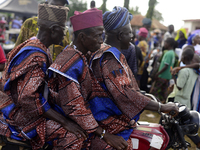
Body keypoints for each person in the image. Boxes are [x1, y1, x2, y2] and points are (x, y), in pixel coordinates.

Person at [88, 6, 179, 149]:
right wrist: (161, 106)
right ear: (120, 36)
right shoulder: (110, 59)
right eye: (129, 33)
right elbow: (125, 94)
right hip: (110, 123)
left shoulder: (103, 51)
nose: (132, 37)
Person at [0, 4, 87, 150]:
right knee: (73, 137)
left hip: (15, 106)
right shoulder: (36, 56)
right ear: (53, 30)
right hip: (19, 116)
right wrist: (64, 122)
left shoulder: (31, 44)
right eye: (63, 30)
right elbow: (27, 98)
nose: (65, 35)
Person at [48, 7, 129, 150]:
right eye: (97, 35)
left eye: (102, 35)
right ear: (82, 38)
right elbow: (75, 106)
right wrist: (105, 135)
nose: (101, 40)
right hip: (66, 119)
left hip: (82, 119)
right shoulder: (70, 62)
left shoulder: (85, 55)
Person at [150, 38, 176, 102]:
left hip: (162, 75)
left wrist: (158, 73)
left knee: (154, 90)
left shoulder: (168, 53)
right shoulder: (172, 53)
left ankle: (156, 103)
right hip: (167, 76)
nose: (164, 44)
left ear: (169, 44)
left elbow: (166, 66)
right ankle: (164, 102)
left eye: (165, 43)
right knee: (164, 91)